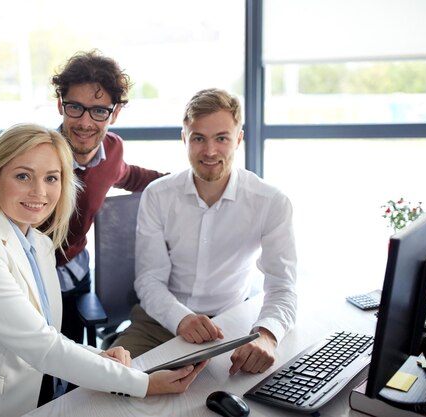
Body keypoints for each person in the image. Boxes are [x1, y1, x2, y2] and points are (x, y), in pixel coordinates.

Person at [0, 123, 207, 417]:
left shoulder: (39, 244)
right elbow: (41, 345)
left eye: (52, 178)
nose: (39, 191)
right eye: (23, 176)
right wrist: (143, 383)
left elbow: (46, 336)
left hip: (41, 395)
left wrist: (101, 356)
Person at [112, 88, 298, 375]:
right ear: (184, 138)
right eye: (199, 138)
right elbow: (150, 280)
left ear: (238, 139)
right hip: (159, 321)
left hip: (229, 324)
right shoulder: (158, 195)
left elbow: (282, 285)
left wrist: (266, 335)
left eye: (221, 138)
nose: (210, 151)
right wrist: (181, 319)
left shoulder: (271, 202)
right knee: (109, 382)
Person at [48, 50, 166, 344]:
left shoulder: (112, 150)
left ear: (114, 113)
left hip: (76, 272)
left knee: (75, 364)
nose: (86, 122)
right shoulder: (41, 155)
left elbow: (130, 175)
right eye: (75, 107)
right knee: (39, 375)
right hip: (33, 278)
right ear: (61, 106)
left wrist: (185, 182)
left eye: (99, 110)